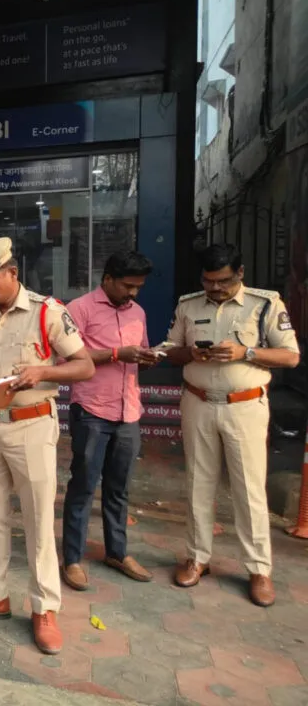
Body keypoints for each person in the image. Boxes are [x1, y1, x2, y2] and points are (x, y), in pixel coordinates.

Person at [0, 237, 94, 656]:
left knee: (37, 519)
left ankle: (44, 607)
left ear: (11, 272)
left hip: (31, 425)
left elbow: (84, 365)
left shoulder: (48, 312)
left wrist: (43, 372)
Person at [165, 244, 300, 607]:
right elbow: (170, 350)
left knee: (248, 488)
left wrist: (246, 353)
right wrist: (191, 353)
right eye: (208, 281)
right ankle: (197, 558)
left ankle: (258, 569)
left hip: (245, 406)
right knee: (198, 483)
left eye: (223, 281)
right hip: (197, 402)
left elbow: (290, 356)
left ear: (239, 273)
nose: (215, 288)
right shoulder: (188, 305)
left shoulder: (265, 304)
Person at [61, 251, 159, 591]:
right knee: (83, 486)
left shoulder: (138, 312)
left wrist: (147, 358)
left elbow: (140, 350)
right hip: (91, 411)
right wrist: (116, 354)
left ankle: (117, 552)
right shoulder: (80, 309)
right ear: (107, 279)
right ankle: (72, 559)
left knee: (119, 488)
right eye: (127, 286)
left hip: (128, 411)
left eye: (138, 287)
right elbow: (67, 358)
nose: (133, 293)